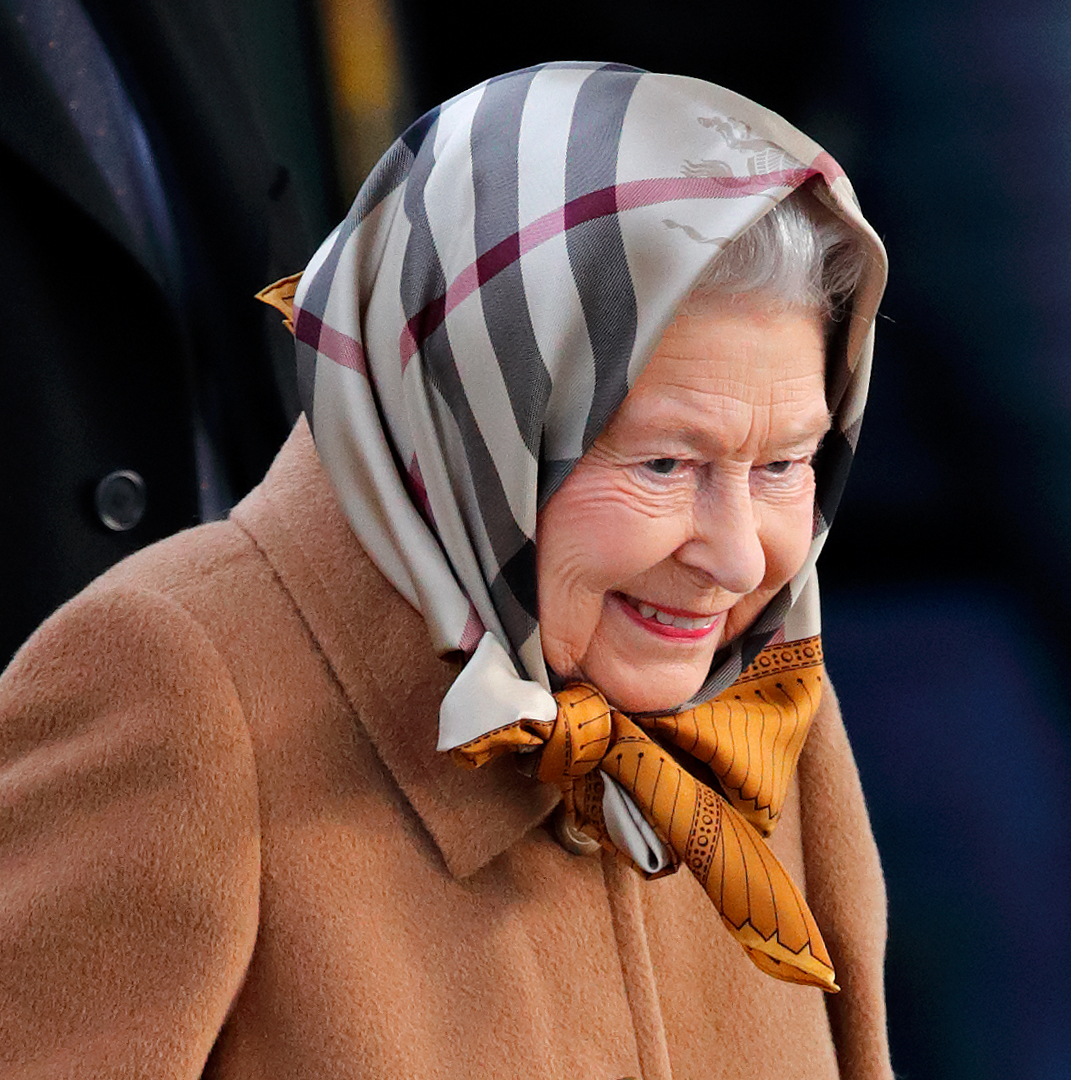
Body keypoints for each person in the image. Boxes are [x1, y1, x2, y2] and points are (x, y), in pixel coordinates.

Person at [0, 63, 889, 1078]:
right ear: (473, 420)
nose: (738, 558)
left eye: (782, 464)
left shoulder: (765, 692)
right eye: (665, 464)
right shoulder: (176, 682)